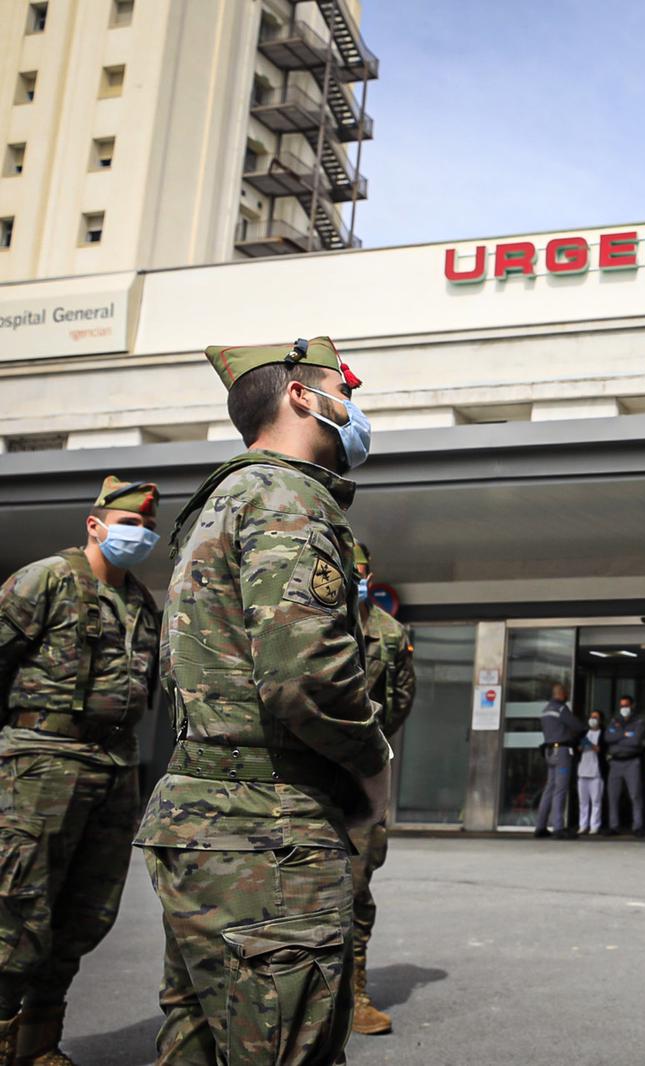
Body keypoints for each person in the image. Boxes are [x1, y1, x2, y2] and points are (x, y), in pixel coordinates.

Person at [134, 337, 391, 1064]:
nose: (357, 410)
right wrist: (374, 768)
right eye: (346, 392)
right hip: (265, 828)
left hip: (203, 818)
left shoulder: (220, 500)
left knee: (196, 1042)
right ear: (305, 398)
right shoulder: (286, 496)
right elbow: (307, 673)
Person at [0, 476, 161, 1064]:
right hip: (40, 763)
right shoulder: (46, 579)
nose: (139, 535)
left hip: (115, 766)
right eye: (128, 524)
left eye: (146, 527)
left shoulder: (142, 602)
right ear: (94, 525)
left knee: (84, 914)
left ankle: (39, 1046)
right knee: (16, 910)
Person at [348, 541, 416, 1037]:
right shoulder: (299, 621)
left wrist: (364, 746)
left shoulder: (390, 633)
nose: (355, 577)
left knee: (355, 883)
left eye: (361, 570)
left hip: (360, 770)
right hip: (294, 768)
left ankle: (353, 993)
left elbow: (400, 700)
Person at [534, 684, 582, 839]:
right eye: (566, 693)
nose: (567, 695)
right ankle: (558, 827)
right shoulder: (561, 709)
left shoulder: (545, 710)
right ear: (561, 694)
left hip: (550, 751)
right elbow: (577, 726)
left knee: (549, 788)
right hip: (562, 752)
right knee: (560, 789)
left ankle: (540, 826)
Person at [603, 696, 645, 837]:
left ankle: (637, 826)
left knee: (635, 795)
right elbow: (607, 738)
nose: (624, 708)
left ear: (632, 705)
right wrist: (625, 734)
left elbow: (635, 741)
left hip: (632, 762)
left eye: (626, 705)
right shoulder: (614, 720)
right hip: (615, 762)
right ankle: (613, 826)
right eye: (621, 705)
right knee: (613, 795)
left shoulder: (638, 721)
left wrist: (618, 737)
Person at [576, 711, 605, 835]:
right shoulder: (583, 733)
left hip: (596, 772)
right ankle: (583, 825)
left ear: (600, 720)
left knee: (596, 801)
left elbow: (601, 750)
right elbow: (577, 749)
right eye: (591, 717)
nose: (592, 719)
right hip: (582, 771)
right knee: (583, 801)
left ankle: (594, 825)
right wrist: (582, 745)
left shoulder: (603, 734)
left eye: (595, 717)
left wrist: (590, 744)